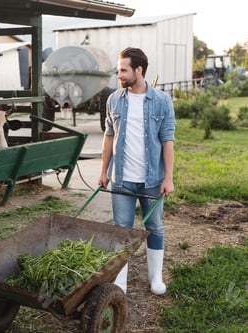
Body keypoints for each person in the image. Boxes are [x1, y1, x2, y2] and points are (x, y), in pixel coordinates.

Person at [98, 47, 175, 295]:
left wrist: (168, 178)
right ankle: (120, 282)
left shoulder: (162, 101)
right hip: (122, 179)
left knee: (154, 226)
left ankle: (156, 278)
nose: (118, 74)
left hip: (152, 179)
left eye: (123, 70)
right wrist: (103, 171)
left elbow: (167, 141)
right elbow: (108, 137)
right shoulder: (114, 99)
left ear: (138, 70)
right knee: (122, 229)